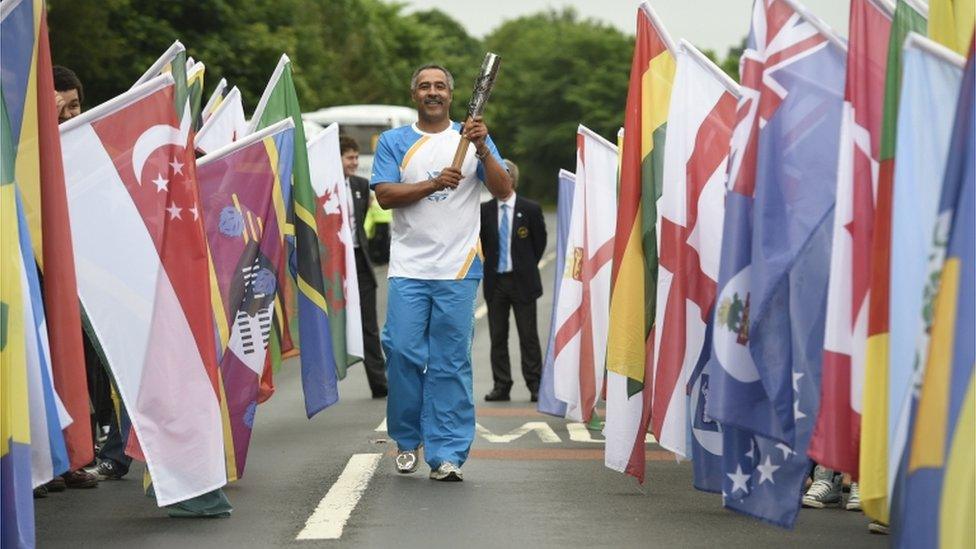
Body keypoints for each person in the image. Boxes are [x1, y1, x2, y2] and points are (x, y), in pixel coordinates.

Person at [370, 63, 512, 482]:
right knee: (402, 354)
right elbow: (384, 196)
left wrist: (483, 148)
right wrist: (433, 185)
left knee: (451, 363)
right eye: (424, 86)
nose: (432, 92)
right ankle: (406, 438)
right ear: (414, 94)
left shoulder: (471, 139)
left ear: (450, 94)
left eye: (440, 86)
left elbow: (503, 190)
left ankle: (447, 453)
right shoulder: (395, 142)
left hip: (458, 268)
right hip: (409, 268)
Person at [480, 159, 547, 402]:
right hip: (495, 282)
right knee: (498, 336)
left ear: (512, 180)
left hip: (522, 282)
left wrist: (524, 265)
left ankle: (535, 383)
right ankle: (501, 384)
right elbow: (483, 245)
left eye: (502, 175)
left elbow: (538, 244)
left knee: (528, 335)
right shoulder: (485, 211)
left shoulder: (529, 209)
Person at [339, 135, 388, 398]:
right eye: (350, 158)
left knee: (370, 325)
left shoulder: (361, 186)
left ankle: (379, 383)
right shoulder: (322, 186)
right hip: (334, 267)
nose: (355, 163)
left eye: (357, 157)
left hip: (360, 262)